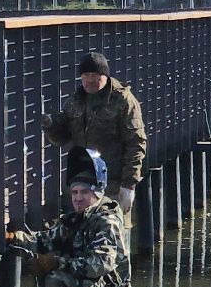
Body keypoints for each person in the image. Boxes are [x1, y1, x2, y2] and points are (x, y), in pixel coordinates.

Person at [6, 151, 131, 287]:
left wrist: (56, 263)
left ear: (97, 192)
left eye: (84, 192)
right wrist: (11, 238)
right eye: (74, 192)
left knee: (56, 278)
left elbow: (100, 264)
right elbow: (44, 240)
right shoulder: (75, 220)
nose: (78, 198)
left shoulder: (107, 221)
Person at [41, 51, 147, 214]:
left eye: (95, 76)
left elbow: (136, 143)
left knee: (111, 226)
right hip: (82, 183)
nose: (90, 80)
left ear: (105, 76)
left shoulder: (122, 100)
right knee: (83, 228)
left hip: (112, 185)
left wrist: (128, 185)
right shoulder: (76, 100)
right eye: (86, 75)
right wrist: (50, 125)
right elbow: (61, 138)